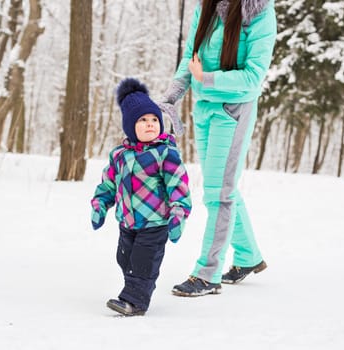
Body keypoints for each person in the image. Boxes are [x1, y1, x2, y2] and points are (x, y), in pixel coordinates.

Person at [159, 0, 277, 296]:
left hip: (234, 110)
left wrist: (205, 79)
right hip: (205, 110)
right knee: (222, 189)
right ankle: (248, 256)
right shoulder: (207, 6)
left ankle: (207, 273)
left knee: (218, 193)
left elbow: (253, 76)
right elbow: (191, 55)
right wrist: (172, 95)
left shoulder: (259, 11)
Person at [91, 78, 192, 315]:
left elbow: (178, 184)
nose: (150, 124)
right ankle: (136, 286)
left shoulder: (165, 152)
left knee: (143, 262)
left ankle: (135, 301)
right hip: (127, 222)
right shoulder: (119, 155)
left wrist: (178, 213)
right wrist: (100, 204)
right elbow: (108, 184)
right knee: (124, 259)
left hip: (155, 222)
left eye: (154, 119)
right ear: (129, 126)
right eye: (143, 121)